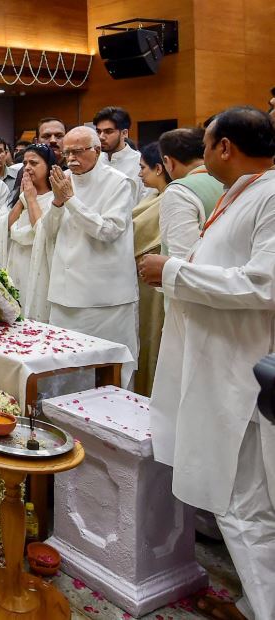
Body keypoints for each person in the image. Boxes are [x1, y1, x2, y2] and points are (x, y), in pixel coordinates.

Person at [139, 106, 275, 620]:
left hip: (241, 369)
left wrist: (171, 270)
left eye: (208, 143)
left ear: (224, 148)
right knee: (240, 497)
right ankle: (252, 600)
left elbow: (264, 284)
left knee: (242, 501)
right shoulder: (244, 191)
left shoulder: (270, 195)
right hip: (220, 359)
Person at [41, 126, 138, 388]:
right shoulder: (63, 178)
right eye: (67, 151)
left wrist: (70, 199)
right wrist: (58, 203)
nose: (71, 157)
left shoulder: (118, 182)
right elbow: (49, 231)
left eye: (78, 151)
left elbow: (108, 230)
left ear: (96, 150)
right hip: (64, 293)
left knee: (106, 373)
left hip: (104, 299)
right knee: (63, 370)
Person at [0, 144, 56, 308]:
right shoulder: (17, 195)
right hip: (15, 260)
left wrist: (32, 199)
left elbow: (42, 230)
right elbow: (2, 226)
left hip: (40, 264)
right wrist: (22, 198)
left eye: (34, 163)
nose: (27, 168)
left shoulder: (55, 197)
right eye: (25, 163)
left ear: (48, 167)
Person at [132, 143, 170, 397]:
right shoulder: (152, 196)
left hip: (155, 287)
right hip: (140, 281)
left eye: (143, 168)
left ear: (159, 167)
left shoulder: (170, 198)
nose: (139, 174)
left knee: (152, 340)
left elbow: (132, 234)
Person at [157, 127, 224, 260]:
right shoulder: (229, 180)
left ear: (168, 162)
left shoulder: (179, 191)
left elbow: (182, 258)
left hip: (197, 276)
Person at [94, 106, 144, 202]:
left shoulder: (140, 162)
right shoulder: (94, 161)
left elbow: (145, 205)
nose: (101, 137)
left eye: (108, 132)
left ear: (124, 133)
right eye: (98, 131)